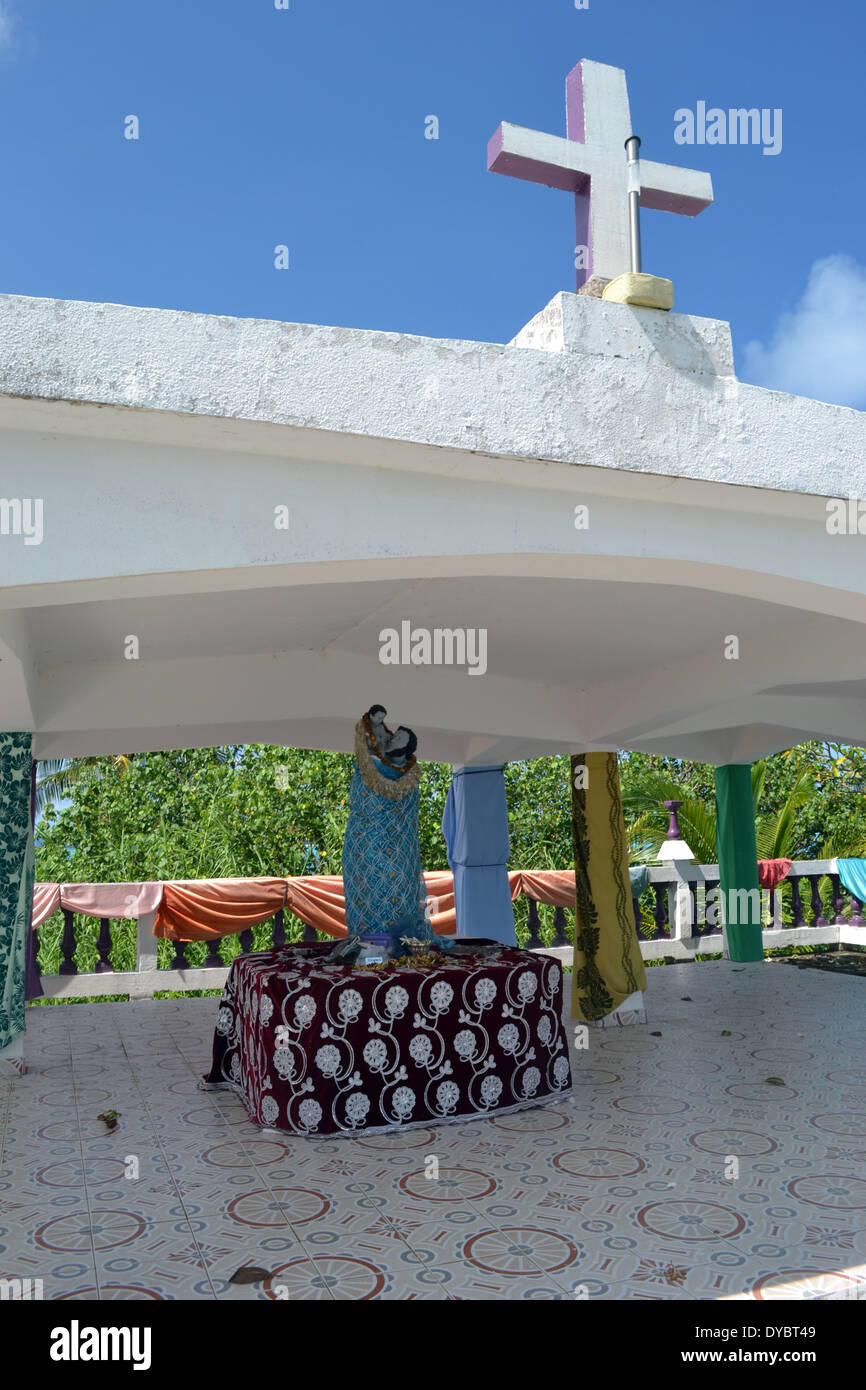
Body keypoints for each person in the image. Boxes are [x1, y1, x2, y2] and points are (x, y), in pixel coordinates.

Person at [342, 706, 431, 944]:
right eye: (395, 735)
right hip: (368, 844)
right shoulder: (371, 766)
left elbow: (409, 814)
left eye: (399, 738)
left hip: (399, 848)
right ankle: (372, 945)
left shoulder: (411, 775)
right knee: (370, 893)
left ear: (406, 746)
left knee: (398, 894)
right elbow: (362, 801)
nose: (393, 740)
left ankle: (396, 943)